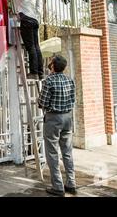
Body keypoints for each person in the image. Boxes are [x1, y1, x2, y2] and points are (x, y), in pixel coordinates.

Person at [0, 0, 44, 80]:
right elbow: (38, 7)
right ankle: (40, 72)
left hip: (26, 20)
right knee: (36, 47)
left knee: (30, 46)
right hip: (35, 20)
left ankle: (34, 72)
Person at [38, 55, 76, 197]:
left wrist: (41, 102)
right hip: (67, 117)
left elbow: (43, 102)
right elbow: (73, 99)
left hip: (54, 118)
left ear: (52, 66)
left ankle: (58, 186)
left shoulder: (49, 81)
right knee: (67, 151)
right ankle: (71, 183)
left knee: (52, 152)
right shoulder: (69, 80)